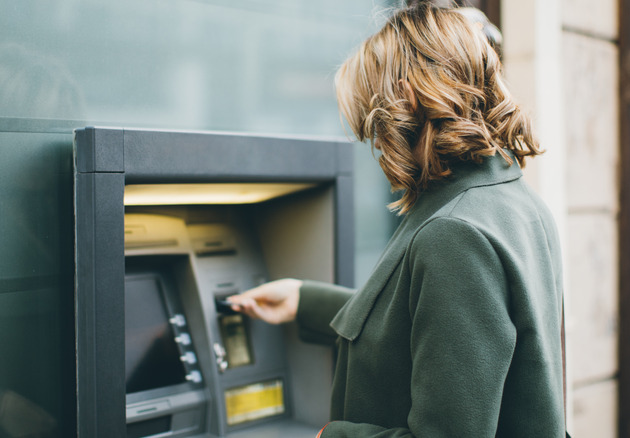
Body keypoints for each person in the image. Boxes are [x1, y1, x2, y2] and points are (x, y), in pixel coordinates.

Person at [228, 3, 565, 437]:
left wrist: (332, 436)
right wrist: (304, 300)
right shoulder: (514, 202)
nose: (378, 145)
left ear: (406, 98)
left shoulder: (454, 232)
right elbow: (438, 329)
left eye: (373, 119)